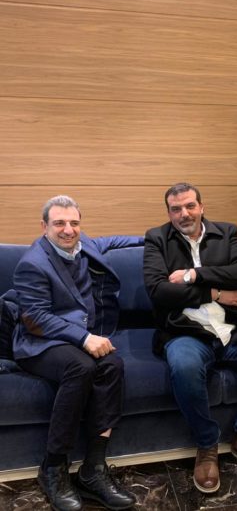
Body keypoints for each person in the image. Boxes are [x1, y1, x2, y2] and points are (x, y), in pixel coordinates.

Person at [143, 182, 237, 493]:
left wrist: (193, 275)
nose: (184, 213)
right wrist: (214, 293)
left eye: (190, 206)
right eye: (176, 209)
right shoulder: (157, 238)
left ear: (201, 207)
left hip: (233, 330)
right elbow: (158, 290)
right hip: (186, 332)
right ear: (169, 213)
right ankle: (206, 444)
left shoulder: (227, 232)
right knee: (185, 367)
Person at [13, 195, 141, 511]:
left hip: (78, 339)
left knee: (112, 364)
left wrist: (159, 239)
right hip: (39, 342)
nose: (68, 230)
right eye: (59, 223)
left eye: (74, 223)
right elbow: (35, 318)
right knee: (81, 367)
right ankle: (53, 467)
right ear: (44, 226)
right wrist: (84, 338)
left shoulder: (86, 246)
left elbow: (117, 241)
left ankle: (93, 469)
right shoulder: (33, 263)